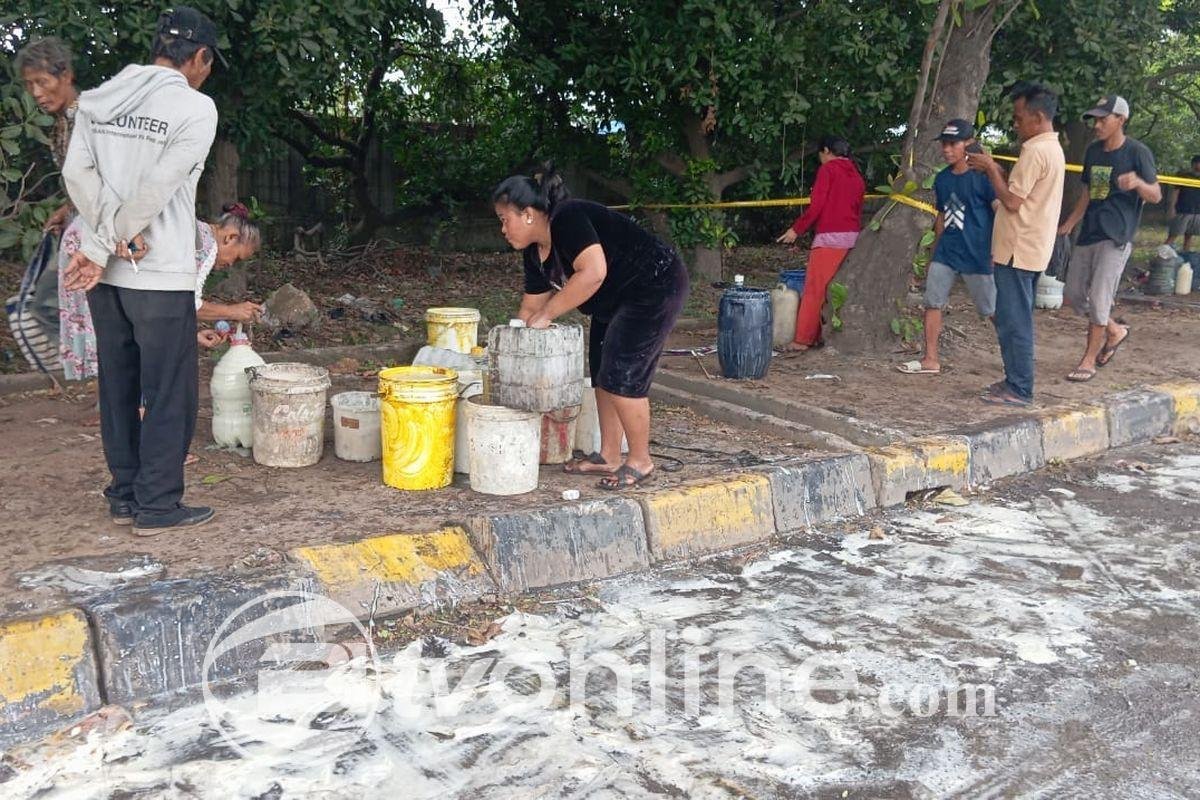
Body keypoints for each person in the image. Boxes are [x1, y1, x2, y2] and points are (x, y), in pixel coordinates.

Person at [61, 6, 224, 534]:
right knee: (169, 388)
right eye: (209, 62)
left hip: (103, 277)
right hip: (159, 271)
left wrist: (98, 242)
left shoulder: (101, 97)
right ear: (199, 57)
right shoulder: (196, 109)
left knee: (119, 383)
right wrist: (111, 238)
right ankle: (157, 504)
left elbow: (75, 172)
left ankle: (125, 493)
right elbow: (159, 186)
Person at [492, 167, 689, 490]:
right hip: (613, 299)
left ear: (527, 214)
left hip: (654, 282)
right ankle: (609, 455)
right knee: (601, 372)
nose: (502, 228)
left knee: (622, 371)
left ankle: (640, 459)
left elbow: (593, 271)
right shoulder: (534, 255)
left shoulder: (567, 219)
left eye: (504, 219)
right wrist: (508, 352)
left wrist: (549, 314)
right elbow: (529, 310)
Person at [968, 82, 1066, 406]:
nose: (1015, 124)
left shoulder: (1036, 151)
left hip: (1018, 249)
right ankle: (1014, 380)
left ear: (1037, 117)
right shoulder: (1052, 148)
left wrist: (989, 168)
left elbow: (1011, 200)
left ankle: (1020, 388)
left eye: (1019, 117)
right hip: (1029, 247)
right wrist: (995, 171)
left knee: (1015, 321)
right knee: (1013, 318)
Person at [1058, 95, 1160, 382]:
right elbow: (1088, 193)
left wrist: (1138, 183)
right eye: (1096, 119)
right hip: (1089, 231)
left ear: (1121, 120)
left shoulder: (1137, 152)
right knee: (1074, 295)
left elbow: (1156, 194)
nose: (1098, 124)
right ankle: (1114, 330)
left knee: (1100, 299)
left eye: (1104, 119)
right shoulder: (1093, 152)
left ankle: (1088, 360)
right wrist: (1069, 223)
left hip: (1117, 236)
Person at [898, 119, 997, 375]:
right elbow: (941, 217)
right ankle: (930, 358)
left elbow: (999, 214)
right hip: (947, 251)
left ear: (968, 144)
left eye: (953, 144)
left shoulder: (983, 178)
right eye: (944, 144)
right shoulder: (942, 179)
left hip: (977, 253)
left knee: (990, 309)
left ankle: (1015, 354)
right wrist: (934, 252)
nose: (947, 149)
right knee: (933, 301)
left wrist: (997, 250)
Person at [14, 37, 79, 366]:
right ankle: (101, 384)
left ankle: (117, 393)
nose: (36, 93)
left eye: (42, 81)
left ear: (65, 76)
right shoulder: (60, 126)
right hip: (78, 230)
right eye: (30, 85)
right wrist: (67, 208)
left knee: (50, 305)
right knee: (50, 306)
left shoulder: (89, 120)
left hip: (101, 238)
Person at [776, 136, 866, 351]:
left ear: (826, 151)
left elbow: (817, 206)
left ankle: (803, 339)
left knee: (815, 289)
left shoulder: (828, 170)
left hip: (829, 239)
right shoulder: (857, 175)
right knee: (836, 291)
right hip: (852, 238)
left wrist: (796, 229)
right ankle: (822, 335)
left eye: (820, 155)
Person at [1165, 155, 1200, 253]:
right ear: (1193, 164)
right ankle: (1161, 257)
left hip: (1196, 211)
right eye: (1197, 163)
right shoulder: (1183, 175)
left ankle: (1186, 257)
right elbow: (1175, 192)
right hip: (1183, 210)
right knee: (1173, 235)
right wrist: (1172, 208)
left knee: (1189, 236)